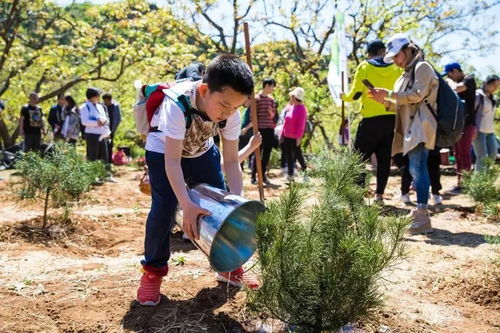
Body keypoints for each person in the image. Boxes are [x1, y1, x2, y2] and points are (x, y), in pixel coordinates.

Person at [138, 54, 258, 306]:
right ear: (204, 90)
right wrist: (187, 203)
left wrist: (234, 202)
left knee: (219, 199)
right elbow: (172, 161)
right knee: (165, 207)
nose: (228, 113)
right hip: (164, 152)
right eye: (224, 106)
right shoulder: (177, 104)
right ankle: (153, 272)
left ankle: (229, 264)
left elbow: (232, 162)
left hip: (201, 149)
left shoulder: (231, 114)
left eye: (236, 107)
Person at [370, 33, 438, 234]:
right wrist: (383, 100)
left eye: (397, 56)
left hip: (422, 125)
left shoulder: (422, 68)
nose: (396, 61)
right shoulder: (404, 74)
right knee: (415, 168)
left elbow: (417, 96)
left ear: (408, 50)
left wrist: (389, 94)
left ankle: (423, 215)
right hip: (409, 127)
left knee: (418, 167)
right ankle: (420, 211)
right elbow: (401, 105)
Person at [341, 40, 402, 202]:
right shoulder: (396, 66)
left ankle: (358, 195)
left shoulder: (365, 66)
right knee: (384, 159)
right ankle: (379, 195)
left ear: (369, 53)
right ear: (384, 51)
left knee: (359, 158)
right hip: (391, 117)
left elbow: (355, 94)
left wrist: (342, 96)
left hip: (370, 121)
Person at [442, 62, 477, 192]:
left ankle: (466, 184)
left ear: (455, 71)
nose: (450, 78)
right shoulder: (456, 81)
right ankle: (459, 182)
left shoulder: (469, 79)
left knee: (464, 153)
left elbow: (458, 88)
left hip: (467, 124)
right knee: (457, 154)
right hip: (456, 124)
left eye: (449, 75)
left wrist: (448, 83)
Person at [251, 78, 277, 185]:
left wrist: (271, 113)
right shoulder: (256, 98)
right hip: (260, 129)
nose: (273, 88)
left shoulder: (271, 100)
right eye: (272, 86)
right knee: (257, 152)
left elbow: (273, 116)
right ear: (267, 85)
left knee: (267, 153)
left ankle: (263, 175)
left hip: (269, 129)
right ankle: (253, 176)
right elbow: (252, 115)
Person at [473, 74, 500, 171]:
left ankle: (485, 178)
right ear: (486, 83)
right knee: (482, 157)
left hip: (490, 131)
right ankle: (479, 183)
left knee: (492, 154)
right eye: (494, 85)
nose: (495, 88)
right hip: (478, 131)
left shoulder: (492, 98)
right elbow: (470, 113)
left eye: (498, 86)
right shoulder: (477, 95)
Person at [282, 87, 308, 182]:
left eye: (293, 96)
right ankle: (290, 174)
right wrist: (282, 134)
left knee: (298, 155)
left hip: (295, 137)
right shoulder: (292, 107)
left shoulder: (302, 109)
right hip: (287, 135)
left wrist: (299, 137)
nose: (291, 98)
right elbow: (286, 121)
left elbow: (301, 125)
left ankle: (305, 174)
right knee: (289, 155)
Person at [80, 87, 110, 163]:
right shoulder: (84, 107)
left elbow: (105, 118)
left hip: (102, 134)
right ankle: (92, 173)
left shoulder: (100, 106)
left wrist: (104, 121)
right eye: (97, 95)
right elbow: (84, 122)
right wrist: (97, 123)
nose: (99, 97)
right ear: (93, 96)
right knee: (93, 156)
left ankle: (104, 172)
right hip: (92, 134)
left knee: (104, 156)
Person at [102, 93, 122, 162]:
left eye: (106, 101)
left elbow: (118, 118)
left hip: (111, 129)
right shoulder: (102, 106)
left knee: (110, 145)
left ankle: (109, 160)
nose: (105, 102)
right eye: (104, 101)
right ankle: (103, 160)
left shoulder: (115, 106)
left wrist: (114, 129)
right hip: (103, 129)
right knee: (103, 145)